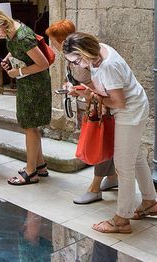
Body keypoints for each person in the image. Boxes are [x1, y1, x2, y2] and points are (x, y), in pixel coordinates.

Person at [63, 32, 157, 234]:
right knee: (136, 157)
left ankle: (122, 219)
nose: (78, 65)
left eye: (78, 60)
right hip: (134, 107)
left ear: (85, 51)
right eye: (73, 62)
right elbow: (104, 89)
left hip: (129, 112)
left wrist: (89, 96)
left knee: (124, 167)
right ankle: (150, 202)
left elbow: (118, 102)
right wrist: (84, 90)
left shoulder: (108, 66)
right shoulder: (98, 50)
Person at [46, 20, 118, 204]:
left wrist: (80, 89)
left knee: (99, 143)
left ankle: (95, 188)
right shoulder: (72, 56)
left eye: (53, 41)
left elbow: (98, 86)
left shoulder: (83, 59)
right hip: (90, 103)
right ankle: (111, 177)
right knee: (105, 142)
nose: (51, 44)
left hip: (98, 104)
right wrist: (70, 85)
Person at [0, 10, 51, 185]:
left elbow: (43, 64)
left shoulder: (22, 37)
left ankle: (31, 172)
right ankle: (40, 165)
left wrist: (18, 71)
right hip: (27, 83)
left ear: (4, 23)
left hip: (35, 85)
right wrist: (8, 58)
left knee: (29, 125)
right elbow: (18, 51)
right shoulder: (12, 31)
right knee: (30, 124)